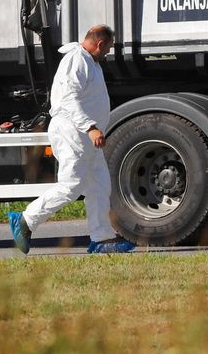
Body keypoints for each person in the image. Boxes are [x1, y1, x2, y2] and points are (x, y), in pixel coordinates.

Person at [9, 24, 135, 255]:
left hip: (85, 137)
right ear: (99, 44)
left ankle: (102, 239)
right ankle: (25, 220)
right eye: (107, 48)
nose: (107, 53)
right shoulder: (77, 60)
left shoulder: (89, 61)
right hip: (73, 133)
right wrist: (90, 127)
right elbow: (68, 99)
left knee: (99, 186)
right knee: (71, 186)